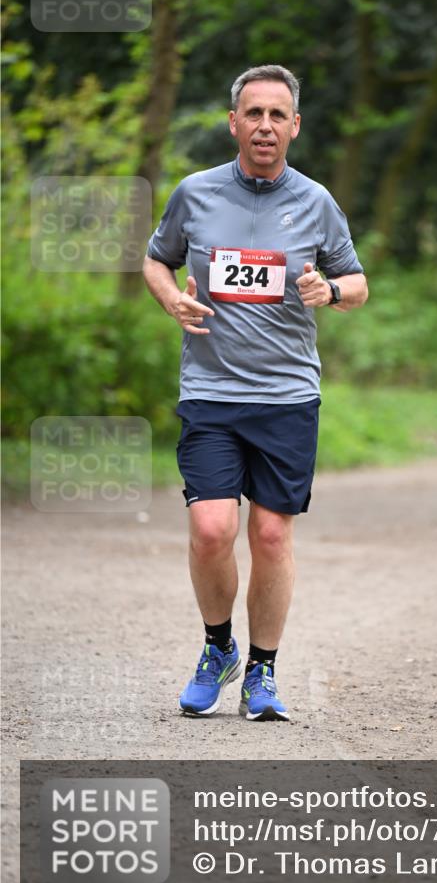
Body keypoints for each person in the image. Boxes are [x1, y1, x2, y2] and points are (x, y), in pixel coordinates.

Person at [143, 65, 368, 721]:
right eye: (253, 113)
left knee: (271, 536)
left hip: (286, 397)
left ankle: (263, 673)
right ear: (233, 122)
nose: (265, 125)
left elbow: (355, 283)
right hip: (211, 392)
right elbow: (157, 258)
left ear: (294, 126)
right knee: (212, 529)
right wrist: (170, 298)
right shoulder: (196, 193)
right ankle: (218, 648)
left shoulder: (317, 202)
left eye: (277, 114)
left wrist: (329, 291)